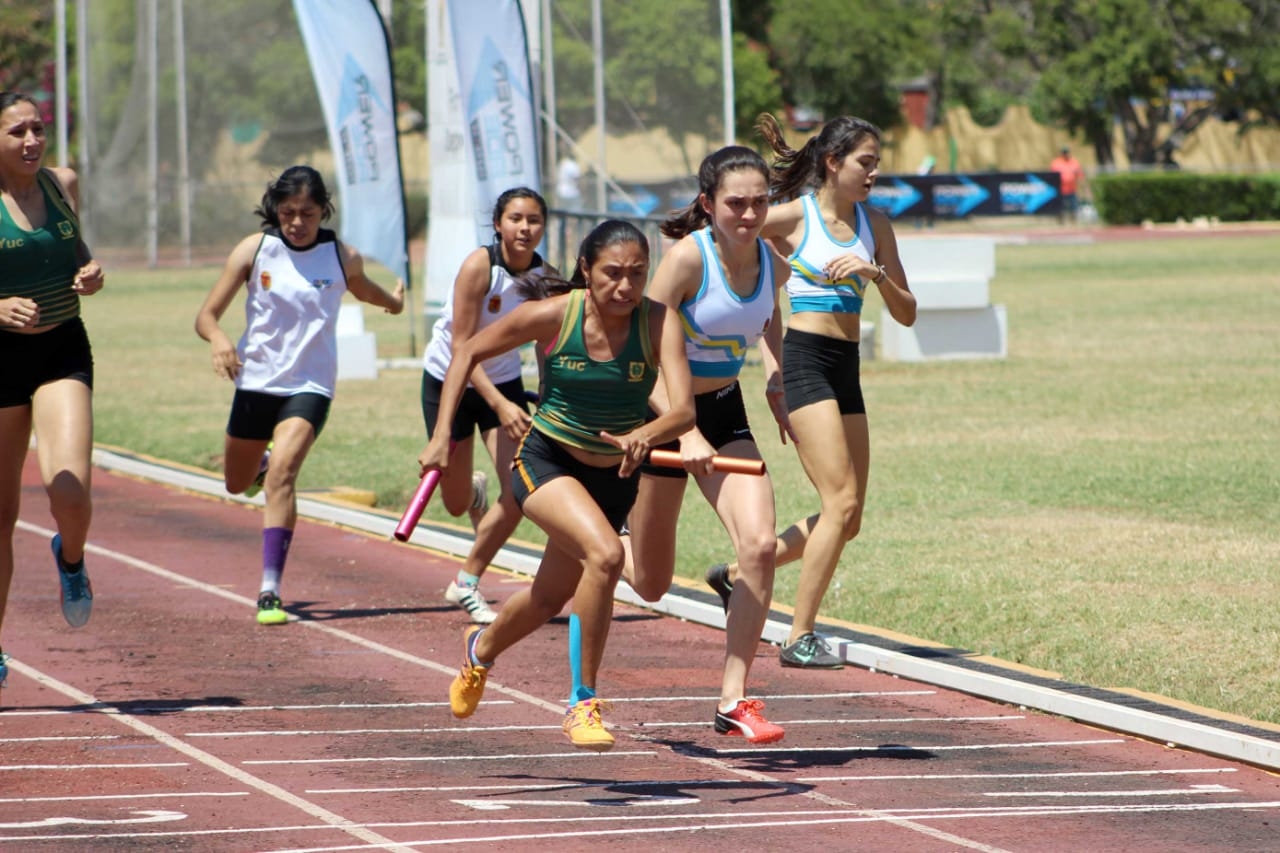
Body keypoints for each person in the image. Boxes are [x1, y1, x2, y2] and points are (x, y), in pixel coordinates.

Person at [418, 220, 693, 751]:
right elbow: (467, 349)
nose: (626, 287)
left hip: (611, 478)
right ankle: (582, 702)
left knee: (549, 596)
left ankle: (480, 648)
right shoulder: (552, 314)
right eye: (613, 274)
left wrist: (647, 433)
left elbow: (682, 410)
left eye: (638, 274)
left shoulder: (659, 322)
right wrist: (440, 435)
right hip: (546, 461)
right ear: (586, 271)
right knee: (607, 556)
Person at [705, 114, 917, 669]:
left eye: (876, 164)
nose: (873, 174)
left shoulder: (877, 224)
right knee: (838, 503)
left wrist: (875, 274)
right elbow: (732, 232)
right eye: (864, 163)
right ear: (833, 163)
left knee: (850, 519)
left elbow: (908, 312)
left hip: (847, 367)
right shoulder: (795, 217)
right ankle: (798, 635)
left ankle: (733, 576)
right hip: (805, 366)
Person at [611, 146, 791, 744]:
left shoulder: (771, 260)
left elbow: (769, 320)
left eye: (760, 202)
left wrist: (776, 379)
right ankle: (606, 542)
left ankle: (733, 700)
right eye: (736, 203)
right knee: (651, 584)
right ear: (708, 204)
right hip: (660, 415)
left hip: (724, 411)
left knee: (760, 545)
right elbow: (643, 352)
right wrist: (681, 428)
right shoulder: (687, 262)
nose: (749, 214)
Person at [195, 165, 404, 625]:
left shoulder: (341, 255)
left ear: (323, 210)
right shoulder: (255, 251)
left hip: (310, 384)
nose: (297, 222)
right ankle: (261, 464)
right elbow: (206, 316)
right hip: (256, 381)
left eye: (307, 213)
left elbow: (364, 289)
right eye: (287, 212)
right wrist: (219, 340)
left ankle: (270, 589)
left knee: (284, 475)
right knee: (236, 482)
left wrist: (394, 301)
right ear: (275, 211)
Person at [0, 91, 106, 692]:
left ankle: (71, 558)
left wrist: (88, 272)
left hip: (60, 348)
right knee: (0, 518)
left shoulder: (61, 183)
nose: (32, 141)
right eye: (17, 132)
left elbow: (76, 250)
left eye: (37, 128)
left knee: (70, 491)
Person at [420, 187, 555, 624]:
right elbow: (463, 349)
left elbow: (545, 344)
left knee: (520, 490)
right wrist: (495, 406)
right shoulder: (480, 267)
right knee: (456, 503)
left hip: (505, 384)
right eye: (515, 218)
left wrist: (549, 397)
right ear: (498, 224)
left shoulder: (545, 278)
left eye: (533, 220)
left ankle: (466, 580)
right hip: (451, 381)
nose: (525, 228)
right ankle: (471, 493)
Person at [1050, 146, 1085, 224]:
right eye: (1064, 152)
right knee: (1060, 206)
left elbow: (1080, 174)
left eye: (1066, 152)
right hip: (1060, 189)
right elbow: (1052, 175)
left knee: (1074, 206)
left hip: (1072, 188)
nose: (1065, 154)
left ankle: (1074, 221)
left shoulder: (1074, 162)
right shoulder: (1056, 163)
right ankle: (1061, 222)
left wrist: (1083, 185)